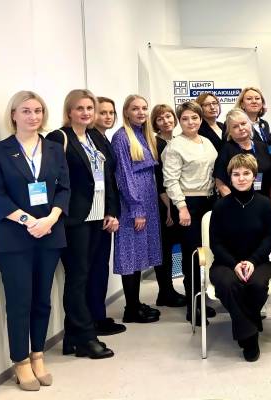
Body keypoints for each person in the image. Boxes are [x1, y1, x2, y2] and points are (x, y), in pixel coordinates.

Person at [0, 91, 69, 390]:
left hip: (49, 233)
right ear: (14, 115)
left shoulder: (55, 149)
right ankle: (20, 361)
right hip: (14, 238)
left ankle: (38, 356)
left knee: (42, 300)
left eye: (38, 111)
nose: (33, 116)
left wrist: (50, 219)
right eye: (26, 111)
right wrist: (29, 221)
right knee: (20, 301)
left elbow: (64, 189)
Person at [47, 89, 119, 359]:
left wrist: (111, 211)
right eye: (80, 108)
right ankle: (86, 337)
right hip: (74, 219)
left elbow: (107, 176)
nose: (86, 113)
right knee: (77, 278)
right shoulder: (59, 138)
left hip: (98, 217)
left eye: (90, 108)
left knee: (87, 276)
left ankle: (72, 338)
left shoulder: (94, 137)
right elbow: (54, 179)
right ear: (69, 111)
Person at [209, 154, 271, 362]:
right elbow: (216, 243)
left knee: (256, 285)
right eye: (236, 174)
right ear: (230, 177)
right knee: (228, 284)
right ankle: (250, 334)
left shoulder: (265, 204)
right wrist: (234, 264)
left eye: (246, 173)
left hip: (258, 261)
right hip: (226, 263)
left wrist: (252, 261)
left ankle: (245, 327)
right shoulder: (220, 206)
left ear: (254, 176)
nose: (241, 178)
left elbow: (269, 238)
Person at [162, 101, 219, 324]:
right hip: (188, 204)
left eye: (194, 118)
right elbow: (170, 180)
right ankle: (192, 307)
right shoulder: (175, 146)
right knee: (192, 257)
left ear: (200, 119)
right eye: (185, 119)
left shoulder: (206, 142)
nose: (190, 122)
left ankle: (202, 300)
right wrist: (182, 207)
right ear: (179, 121)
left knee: (207, 254)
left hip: (209, 202)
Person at [111, 94, 162, 324]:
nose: (141, 112)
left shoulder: (143, 134)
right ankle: (130, 309)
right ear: (126, 112)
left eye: (144, 108)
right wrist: (136, 208)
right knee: (130, 254)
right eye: (135, 108)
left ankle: (135, 303)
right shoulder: (122, 137)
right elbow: (124, 176)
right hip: (133, 204)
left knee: (140, 253)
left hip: (148, 201)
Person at [84, 95, 131, 334]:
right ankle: (92, 320)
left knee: (100, 267)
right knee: (92, 269)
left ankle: (98, 316)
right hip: (92, 215)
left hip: (105, 213)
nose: (108, 116)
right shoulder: (90, 139)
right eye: (102, 112)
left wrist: (112, 211)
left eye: (111, 113)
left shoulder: (104, 139)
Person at [150, 104, 188, 308]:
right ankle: (165, 292)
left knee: (178, 247)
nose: (166, 121)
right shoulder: (154, 144)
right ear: (155, 123)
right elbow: (160, 180)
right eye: (160, 119)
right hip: (165, 204)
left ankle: (172, 290)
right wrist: (169, 209)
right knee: (164, 249)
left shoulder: (178, 140)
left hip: (177, 201)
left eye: (168, 116)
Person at [214, 109, 271, 198]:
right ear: (229, 131)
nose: (241, 128)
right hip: (237, 202)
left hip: (263, 201)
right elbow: (220, 182)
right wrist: (232, 203)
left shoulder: (263, 146)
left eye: (243, 123)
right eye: (235, 126)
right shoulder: (226, 150)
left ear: (250, 124)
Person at [236, 87, 271, 153]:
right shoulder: (234, 124)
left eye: (257, 98)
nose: (254, 101)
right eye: (249, 99)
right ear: (242, 104)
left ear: (262, 103)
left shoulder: (264, 124)